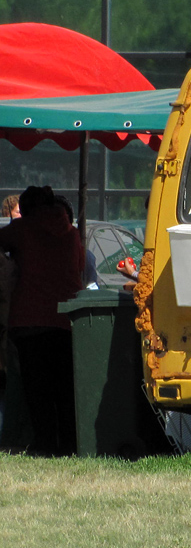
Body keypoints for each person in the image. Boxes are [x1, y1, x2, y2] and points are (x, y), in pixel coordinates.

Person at [0, 186, 84, 456]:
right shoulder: (72, 234)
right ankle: (69, 443)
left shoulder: (23, 228)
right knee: (64, 387)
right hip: (67, 319)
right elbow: (80, 267)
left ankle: (46, 443)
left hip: (29, 318)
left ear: (26, 209)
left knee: (38, 390)